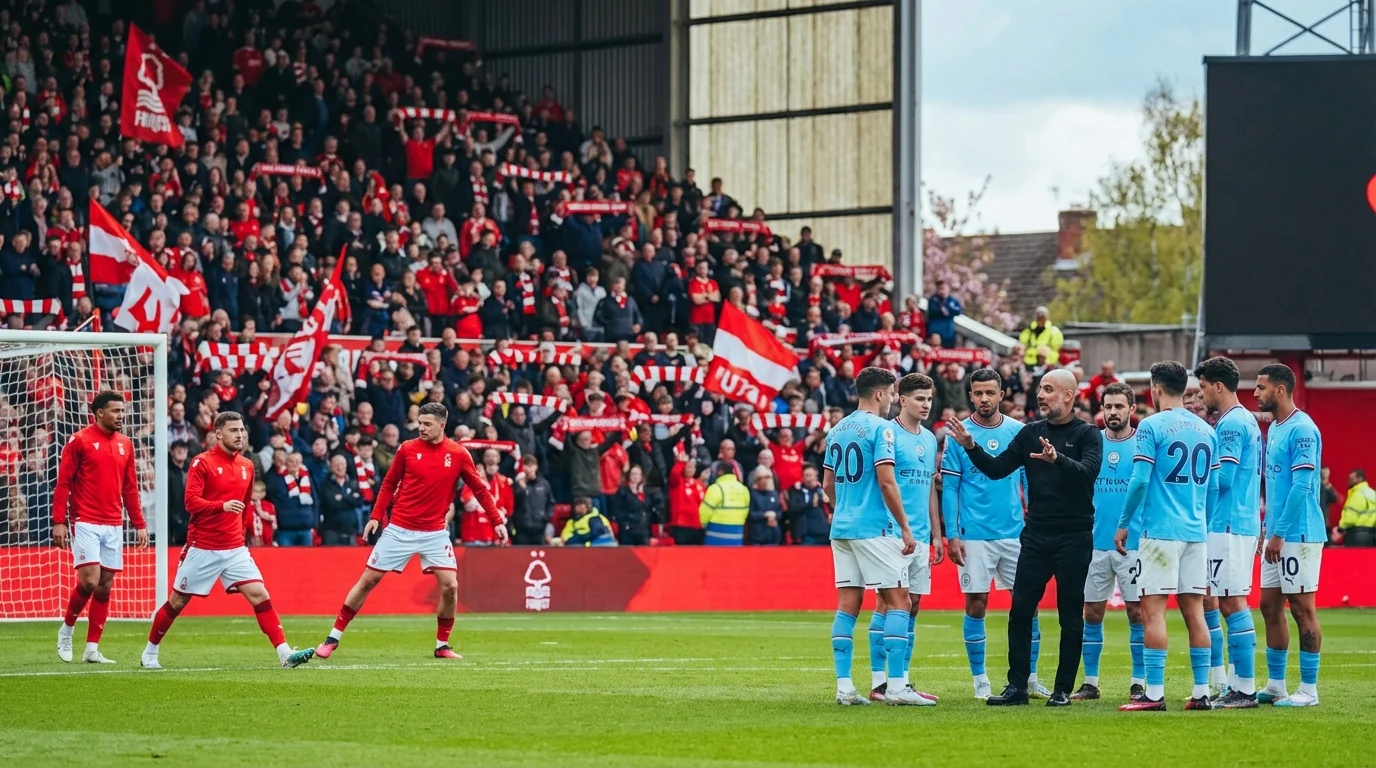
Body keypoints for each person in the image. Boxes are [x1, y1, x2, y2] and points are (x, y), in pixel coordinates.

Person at [946, 368, 1101, 707]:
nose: (1040, 395)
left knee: (1069, 612)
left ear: (1068, 395)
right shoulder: (1030, 433)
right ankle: (1017, 687)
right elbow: (998, 468)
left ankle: (1062, 690)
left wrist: (1057, 459)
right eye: (1041, 389)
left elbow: (1088, 474)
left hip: (1074, 535)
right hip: (1035, 535)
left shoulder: (1088, 434)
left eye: (1048, 389)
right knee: (1020, 610)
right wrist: (971, 446)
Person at [315, 403, 507, 661]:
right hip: (400, 529)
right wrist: (375, 517)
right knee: (368, 580)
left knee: (450, 587)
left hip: (435, 532)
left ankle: (442, 646)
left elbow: (481, 490)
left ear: (442, 424)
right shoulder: (407, 449)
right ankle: (332, 638)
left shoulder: (458, 454)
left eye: (427, 424)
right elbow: (389, 483)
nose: (421, 428)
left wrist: (496, 521)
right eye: (420, 422)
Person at [142, 412, 314, 670]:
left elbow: (244, 508)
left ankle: (284, 653)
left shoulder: (246, 466)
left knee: (260, 595)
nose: (240, 435)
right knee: (177, 601)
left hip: (234, 548)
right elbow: (190, 502)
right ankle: (150, 652)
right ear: (219, 434)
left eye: (242, 430)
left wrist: (244, 537)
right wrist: (220, 506)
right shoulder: (202, 463)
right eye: (234, 430)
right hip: (203, 546)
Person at [1113, 361, 1218, 712]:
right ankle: (1201, 691)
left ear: (1156, 388)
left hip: (1160, 531)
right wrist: (1201, 519)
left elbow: (1141, 479)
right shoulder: (1206, 429)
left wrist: (1125, 521)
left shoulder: (1151, 426)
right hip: (1195, 532)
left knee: (1153, 611)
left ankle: (1154, 694)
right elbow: (1215, 487)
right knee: (1195, 612)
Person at [939, 368, 1048, 700]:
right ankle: (980, 679)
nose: (984, 399)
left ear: (1002, 395)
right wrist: (952, 534)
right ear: (970, 395)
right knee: (976, 604)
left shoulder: (1019, 431)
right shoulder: (959, 434)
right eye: (978, 393)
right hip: (974, 535)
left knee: (1028, 606)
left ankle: (1029, 678)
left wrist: (1035, 522)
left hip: (1016, 535)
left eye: (990, 393)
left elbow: (1029, 483)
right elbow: (950, 487)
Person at [824, 367, 922, 706]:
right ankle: (895, 687)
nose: (894, 399)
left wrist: (845, 509)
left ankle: (844, 688)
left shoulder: (836, 430)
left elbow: (827, 486)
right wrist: (905, 527)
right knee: (899, 601)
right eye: (893, 393)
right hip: (874, 527)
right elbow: (886, 481)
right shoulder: (882, 429)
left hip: (842, 528)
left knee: (848, 605)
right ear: (880, 394)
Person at [52, 391, 149, 664]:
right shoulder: (80, 440)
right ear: (99, 414)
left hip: (113, 523)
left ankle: (92, 648)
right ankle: (67, 630)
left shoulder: (126, 444)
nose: (121, 415)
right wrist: (59, 520)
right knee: (90, 581)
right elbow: (63, 483)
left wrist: (139, 524)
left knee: (105, 587)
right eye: (115, 411)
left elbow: (130, 488)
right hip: (85, 520)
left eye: (122, 410)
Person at [866, 373, 943, 705]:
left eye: (928, 399)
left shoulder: (929, 438)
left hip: (922, 536)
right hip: (891, 534)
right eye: (919, 399)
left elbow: (928, 490)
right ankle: (879, 681)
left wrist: (937, 534)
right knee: (888, 603)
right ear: (901, 399)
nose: (925, 405)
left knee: (913, 606)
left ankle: (903, 680)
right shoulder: (888, 434)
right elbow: (882, 484)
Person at [1254, 363, 1325, 708]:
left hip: (1299, 533)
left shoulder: (1302, 429)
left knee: (1301, 608)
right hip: (1278, 534)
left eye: (1261, 387)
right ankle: (1276, 685)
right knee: (1269, 605)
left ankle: (1309, 691)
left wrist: (1279, 533)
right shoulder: (1276, 429)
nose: (1256, 393)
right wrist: (1266, 531)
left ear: (1280, 390)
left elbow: (1301, 487)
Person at [1195, 356, 1263, 707]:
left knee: (1234, 601)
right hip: (1234, 522)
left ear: (1217, 386)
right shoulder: (1239, 420)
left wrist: (1192, 478)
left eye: (1204, 386)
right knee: (1226, 601)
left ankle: (1246, 689)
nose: (1202, 393)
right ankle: (1237, 684)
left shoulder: (1232, 425)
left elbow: (1224, 478)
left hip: (1229, 523)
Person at [1070, 383, 1143, 702]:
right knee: (1092, 613)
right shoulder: (1092, 442)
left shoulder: (1143, 442)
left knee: (1137, 613)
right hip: (1095, 543)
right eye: (1108, 406)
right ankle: (1091, 682)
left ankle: (1139, 681)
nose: (1113, 412)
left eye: (1119, 406)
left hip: (1135, 544)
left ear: (1132, 409)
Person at [698, 463, 750, 546]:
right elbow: (746, 510)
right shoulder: (743, 489)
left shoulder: (715, 488)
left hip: (715, 534)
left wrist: (702, 525)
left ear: (720, 472)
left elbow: (705, 511)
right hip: (737, 533)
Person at [1335, 469, 1376, 546]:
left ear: (1360, 478)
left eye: (1351, 478)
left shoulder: (1357, 494)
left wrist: (1340, 529)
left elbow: (1350, 516)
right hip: (1371, 534)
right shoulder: (1372, 492)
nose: (1348, 481)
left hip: (1356, 535)